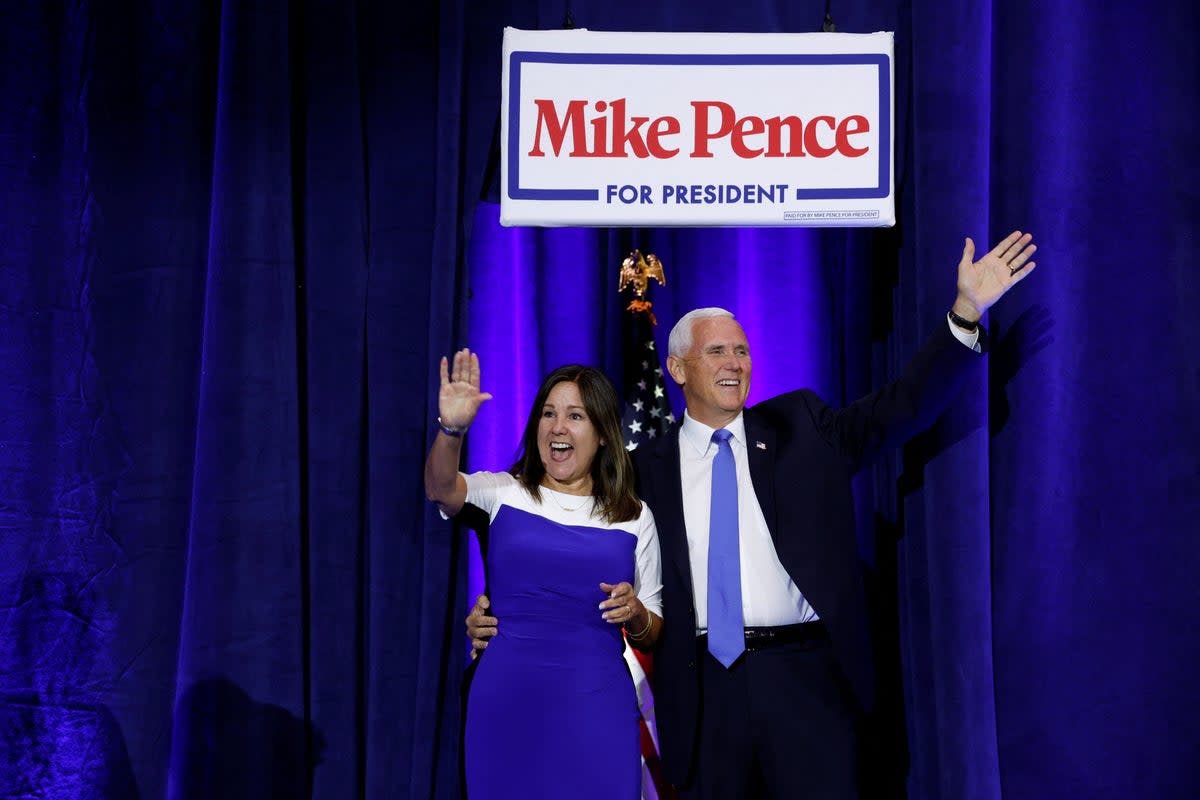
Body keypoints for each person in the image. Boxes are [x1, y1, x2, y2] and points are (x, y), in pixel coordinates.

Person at [467, 231, 1038, 798]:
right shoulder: (642, 472)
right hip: (702, 692)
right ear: (677, 367)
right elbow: (562, 525)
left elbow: (899, 408)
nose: (734, 362)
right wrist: (502, 609)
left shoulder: (803, 428)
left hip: (805, 680)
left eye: (741, 349)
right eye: (716, 351)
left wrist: (964, 313)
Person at [426, 353, 663, 800]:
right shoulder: (502, 492)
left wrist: (635, 613)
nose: (558, 427)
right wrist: (452, 429)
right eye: (549, 414)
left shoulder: (633, 517)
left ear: (603, 435)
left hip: (597, 711)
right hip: (508, 703)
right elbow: (440, 488)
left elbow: (653, 630)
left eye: (575, 416)